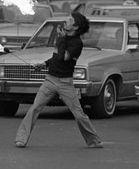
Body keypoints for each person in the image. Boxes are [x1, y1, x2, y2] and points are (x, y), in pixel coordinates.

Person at [14, 12, 103, 148]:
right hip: (50, 80)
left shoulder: (76, 44)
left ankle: (94, 141)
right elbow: (56, 57)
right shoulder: (62, 38)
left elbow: (63, 58)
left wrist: (61, 39)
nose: (66, 20)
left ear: (75, 27)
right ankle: (21, 139)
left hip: (65, 83)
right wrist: (44, 64)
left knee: (79, 114)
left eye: (70, 19)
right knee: (35, 108)